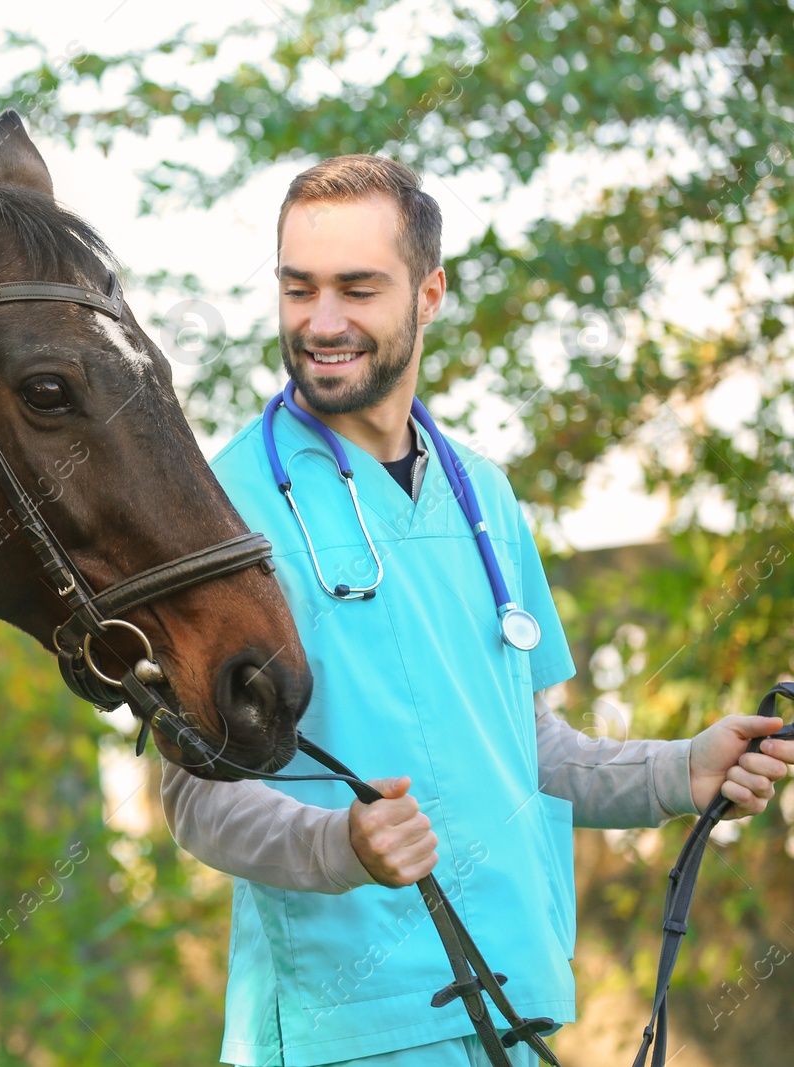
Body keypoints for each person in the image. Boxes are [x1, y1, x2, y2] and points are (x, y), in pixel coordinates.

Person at [163, 154, 794, 1067]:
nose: (322, 322)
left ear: (429, 295)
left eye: (358, 289)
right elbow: (194, 792)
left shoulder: (483, 497)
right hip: (347, 1027)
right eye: (299, 289)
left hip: (512, 1004)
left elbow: (526, 748)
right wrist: (338, 843)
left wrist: (680, 770)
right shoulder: (224, 509)